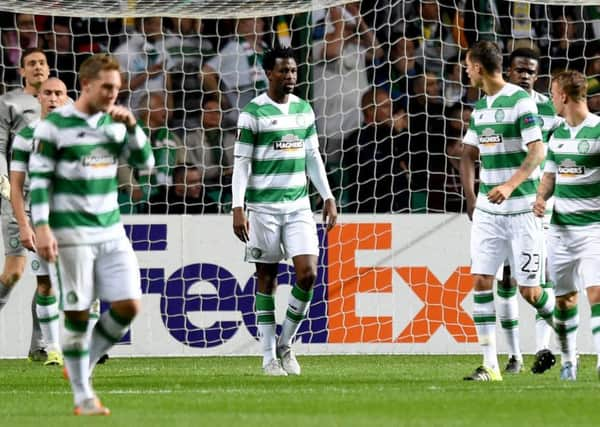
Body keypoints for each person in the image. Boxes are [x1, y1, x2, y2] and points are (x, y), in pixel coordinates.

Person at [29, 53, 154, 415]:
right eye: (107, 88)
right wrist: (42, 227)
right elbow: (40, 181)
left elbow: (145, 165)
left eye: (117, 88)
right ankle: (83, 394)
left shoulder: (116, 123)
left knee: (129, 304)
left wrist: (132, 126)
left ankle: (81, 364)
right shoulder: (54, 127)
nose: (114, 94)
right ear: (87, 86)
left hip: (112, 231)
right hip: (72, 233)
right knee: (79, 313)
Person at [232, 45, 337, 376]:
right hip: (263, 208)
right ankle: (267, 357)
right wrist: (238, 207)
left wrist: (328, 195)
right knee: (267, 279)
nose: (290, 76)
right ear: (268, 74)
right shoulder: (253, 113)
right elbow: (242, 164)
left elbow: (313, 157)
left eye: (293, 71)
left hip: (298, 207)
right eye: (284, 71)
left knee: (308, 275)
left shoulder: (304, 109)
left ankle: (285, 344)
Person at [459, 41, 553, 381]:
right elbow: (467, 154)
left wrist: (510, 185)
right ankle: (490, 365)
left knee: (530, 292)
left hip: (523, 211)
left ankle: (562, 322)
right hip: (488, 212)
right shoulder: (480, 107)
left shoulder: (520, 101)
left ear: (479, 67)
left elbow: (538, 152)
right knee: (482, 281)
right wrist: (472, 198)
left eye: (468, 65)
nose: (465, 71)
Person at [493, 47, 563, 375]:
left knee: (539, 276)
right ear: (508, 70)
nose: (524, 75)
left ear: (537, 76)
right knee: (507, 279)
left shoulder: (550, 110)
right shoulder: (498, 103)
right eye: (519, 69)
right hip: (504, 202)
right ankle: (515, 355)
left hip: (539, 203)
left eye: (530, 71)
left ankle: (543, 348)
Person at [533, 70, 600, 381]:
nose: (550, 99)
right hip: (560, 230)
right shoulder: (557, 135)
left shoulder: (598, 130)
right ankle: (569, 361)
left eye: (552, 93)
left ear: (564, 96)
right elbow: (549, 176)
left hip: (594, 229)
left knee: (596, 293)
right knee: (564, 299)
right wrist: (541, 198)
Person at [9, 77, 70, 367]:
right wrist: (23, 224)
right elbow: (16, 186)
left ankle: (85, 346)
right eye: (48, 93)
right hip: (41, 220)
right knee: (45, 284)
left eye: (59, 93)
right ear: (40, 98)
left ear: (67, 97)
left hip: (78, 219)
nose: (53, 98)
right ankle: (53, 349)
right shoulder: (25, 136)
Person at [0, 47, 50, 362]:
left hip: (55, 200)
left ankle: (40, 346)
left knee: (50, 276)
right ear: (22, 71)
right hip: (17, 195)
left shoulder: (65, 104)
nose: (37, 67)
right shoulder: (8, 103)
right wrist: (2, 181)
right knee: (14, 272)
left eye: (42, 62)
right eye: (31, 63)